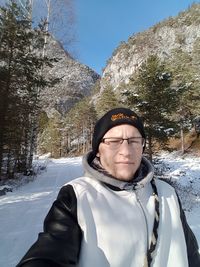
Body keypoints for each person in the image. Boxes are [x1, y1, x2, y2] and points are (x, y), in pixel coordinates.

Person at [17, 107, 200, 267]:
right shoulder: (77, 196)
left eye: (134, 141)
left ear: (142, 146)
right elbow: (50, 251)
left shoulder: (166, 193)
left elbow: (190, 254)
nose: (126, 151)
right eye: (113, 142)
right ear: (98, 149)